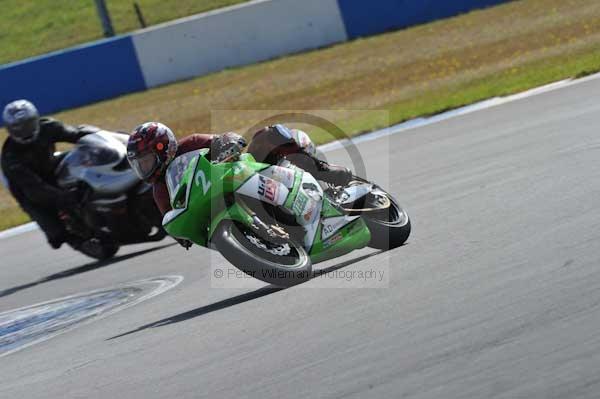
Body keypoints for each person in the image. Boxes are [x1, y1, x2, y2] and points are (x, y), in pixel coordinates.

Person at [126, 122, 352, 246]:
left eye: (146, 161)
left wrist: (228, 143)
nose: (144, 169)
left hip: (240, 172)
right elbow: (172, 221)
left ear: (163, 148)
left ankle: (322, 170)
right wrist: (181, 234)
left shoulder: (192, 143)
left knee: (270, 134)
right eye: (139, 165)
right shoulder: (159, 191)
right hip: (214, 204)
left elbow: (227, 139)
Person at [1, 100, 99, 249]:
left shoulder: (48, 127)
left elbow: (76, 134)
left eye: (28, 124)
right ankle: (74, 238)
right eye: (19, 128)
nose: (25, 131)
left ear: (36, 120)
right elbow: (35, 188)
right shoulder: (10, 157)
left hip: (50, 164)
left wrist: (99, 135)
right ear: (10, 130)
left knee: (82, 158)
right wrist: (64, 197)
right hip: (27, 186)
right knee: (56, 236)